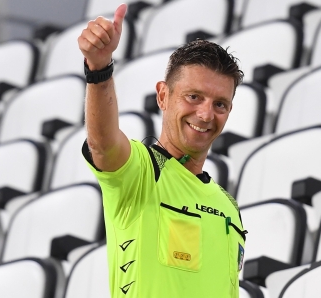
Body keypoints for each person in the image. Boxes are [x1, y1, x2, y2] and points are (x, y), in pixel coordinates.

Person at [78, 3, 246, 297]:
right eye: (193, 97)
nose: (206, 114)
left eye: (220, 104)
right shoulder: (141, 171)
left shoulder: (228, 206)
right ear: (163, 95)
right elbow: (102, 143)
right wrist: (99, 68)